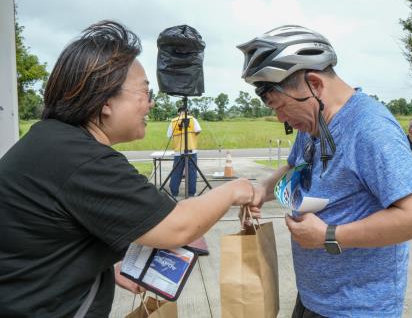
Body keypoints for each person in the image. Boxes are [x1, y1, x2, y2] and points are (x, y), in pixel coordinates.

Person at [0, 21, 254, 317]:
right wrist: (236, 189)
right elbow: (178, 226)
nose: (150, 104)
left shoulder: (52, 141)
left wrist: (104, 262)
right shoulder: (82, 160)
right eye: (145, 93)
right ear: (107, 100)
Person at [237, 25, 412, 318]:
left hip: (357, 307)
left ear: (315, 85)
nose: (281, 118)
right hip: (314, 298)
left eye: (281, 107)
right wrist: (261, 192)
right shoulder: (314, 121)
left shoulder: (370, 130)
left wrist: (329, 234)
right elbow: (294, 167)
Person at [167, 107, 201, 197]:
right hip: (191, 150)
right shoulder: (193, 119)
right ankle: (191, 193)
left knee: (176, 172)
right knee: (192, 173)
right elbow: (198, 131)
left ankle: (174, 193)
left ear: (178, 113)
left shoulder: (173, 121)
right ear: (188, 112)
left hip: (178, 151)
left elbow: (169, 135)